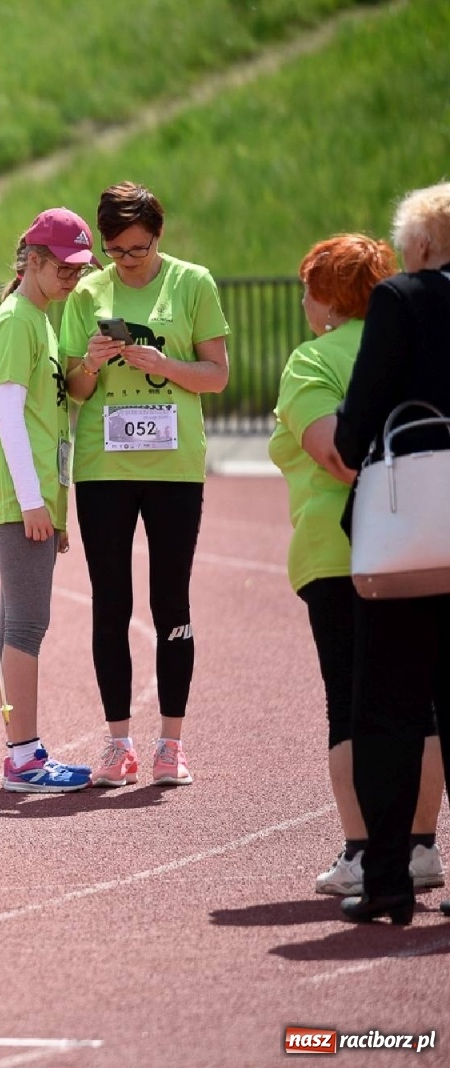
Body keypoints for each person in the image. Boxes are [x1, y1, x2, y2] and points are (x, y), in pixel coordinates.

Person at [269, 233, 445, 901]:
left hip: (341, 551)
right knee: (422, 703)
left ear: (325, 298)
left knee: (350, 705)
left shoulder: (313, 359)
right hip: (422, 538)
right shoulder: (411, 346)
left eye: (309, 290)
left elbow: (333, 453)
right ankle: (422, 847)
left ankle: (364, 851)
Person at [62, 182, 230, 788]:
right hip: (104, 467)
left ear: (158, 235)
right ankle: (118, 744)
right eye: (116, 250)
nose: (126, 260)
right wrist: (92, 360)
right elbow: (76, 392)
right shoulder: (87, 291)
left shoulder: (193, 283)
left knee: (171, 603)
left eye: (138, 248)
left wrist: (164, 366)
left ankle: (171, 744)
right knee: (111, 605)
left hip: (173, 468)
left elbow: (216, 376)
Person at [332, 182, 450, 924]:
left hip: (414, 534)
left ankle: (386, 880)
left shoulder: (404, 300)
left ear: (424, 245)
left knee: (389, 709)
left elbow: (355, 429)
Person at [0, 208, 97, 793]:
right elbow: (10, 419)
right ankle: (24, 756)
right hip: (18, 496)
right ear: (36, 261)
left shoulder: (40, 318)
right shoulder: (19, 321)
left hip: (30, 494)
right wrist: (31, 502)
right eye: (66, 268)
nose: (74, 278)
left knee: (18, 622)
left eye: (79, 269)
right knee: (27, 623)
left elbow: (44, 418)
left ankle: (21, 750)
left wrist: (51, 502)